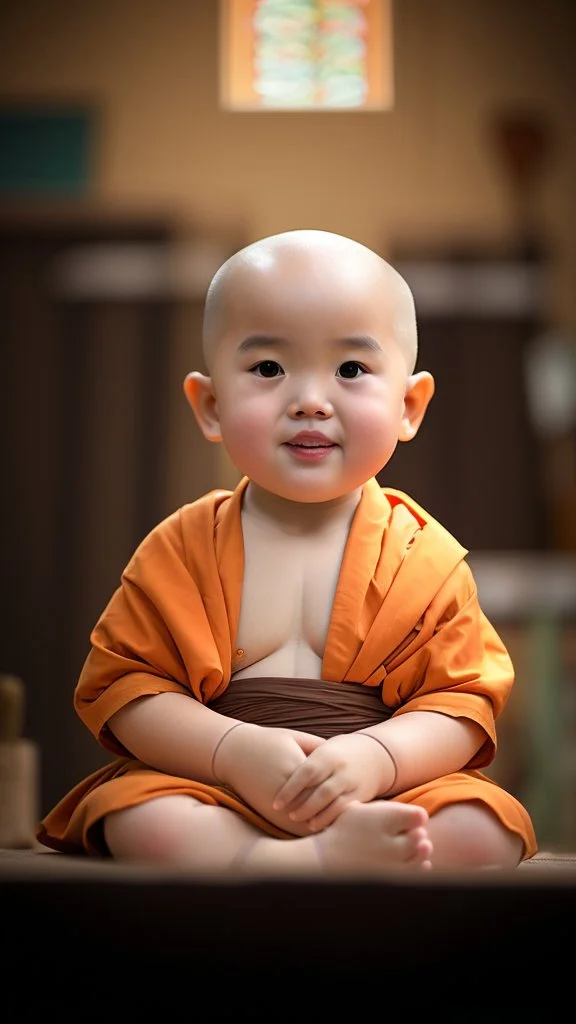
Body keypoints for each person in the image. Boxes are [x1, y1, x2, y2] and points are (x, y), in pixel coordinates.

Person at [36, 228, 538, 876]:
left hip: (382, 784)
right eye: (269, 368)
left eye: (351, 369)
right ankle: (296, 859)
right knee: (144, 820)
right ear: (211, 404)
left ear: (409, 405)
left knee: (479, 828)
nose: (309, 400)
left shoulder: (425, 556)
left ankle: (316, 850)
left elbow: (462, 704)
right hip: (218, 785)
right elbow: (127, 687)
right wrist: (230, 751)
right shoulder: (180, 548)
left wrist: (376, 759)